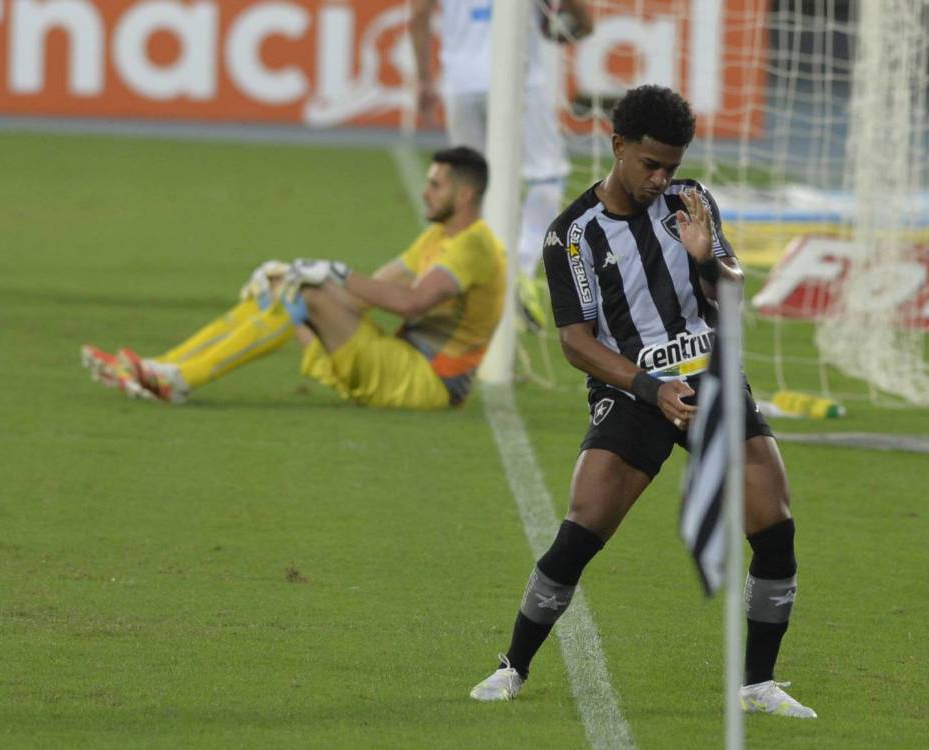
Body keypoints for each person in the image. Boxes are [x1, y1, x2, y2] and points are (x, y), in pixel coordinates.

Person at [468, 86, 817, 718]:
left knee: (776, 525)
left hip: (711, 379)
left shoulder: (693, 202)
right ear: (618, 145)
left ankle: (758, 684)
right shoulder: (571, 235)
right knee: (581, 529)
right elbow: (576, 343)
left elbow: (732, 295)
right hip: (633, 390)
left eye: (672, 167)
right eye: (650, 164)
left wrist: (708, 259)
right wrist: (651, 389)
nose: (661, 179)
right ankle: (513, 666)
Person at [81, 147, 506, 410]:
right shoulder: (437, 236)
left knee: (303, 291)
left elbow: (411, 302)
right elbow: (367, 295)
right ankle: (165, 369)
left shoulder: (474, 246)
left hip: (428, 385)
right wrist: (296, 275)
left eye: (435, 185)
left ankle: (177, 380)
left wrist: (330, 275)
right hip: (395, 363)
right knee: (281, 287)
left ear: (464, 195)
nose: (424, 192)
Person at [408, 0, 592, 331]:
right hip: (520, 77)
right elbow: (576, 12)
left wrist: (423, 79)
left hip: (462, 84)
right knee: (547, 175)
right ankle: (517, 268)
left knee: (468, 187)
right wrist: (582, 22)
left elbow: (419, 13)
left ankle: (460, 283)